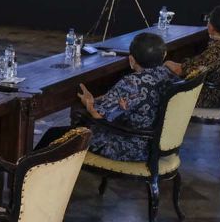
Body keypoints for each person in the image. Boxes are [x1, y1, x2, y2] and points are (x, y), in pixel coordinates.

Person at [35, 33, 177, 161]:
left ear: (131, 60)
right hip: (156, 142)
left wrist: (89, 103)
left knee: (55, 135)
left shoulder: (131, 83)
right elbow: (129, 100)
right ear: (163, 56)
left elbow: (99, 115)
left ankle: (29, 174)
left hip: (130, 146)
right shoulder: (167, 74)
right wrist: (99, 99)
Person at [165, 5, 220, 108]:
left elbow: (180, 70)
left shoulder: (216, 52)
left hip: (213, 98)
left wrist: (166, 63)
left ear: (211, 27)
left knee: (165, 77)